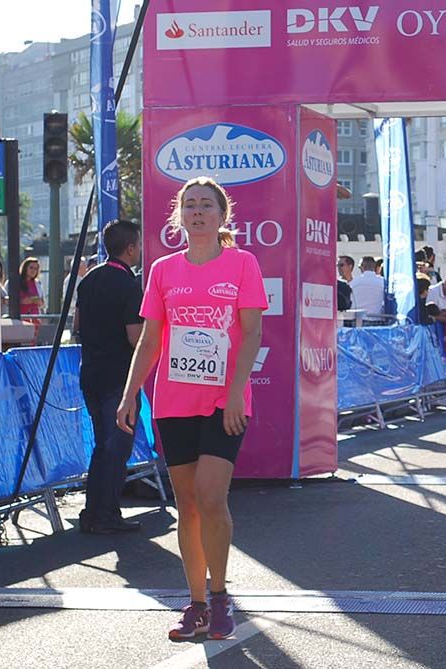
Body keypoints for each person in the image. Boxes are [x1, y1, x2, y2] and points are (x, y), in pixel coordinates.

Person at [116, 176, 266, 641]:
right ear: (179, 216)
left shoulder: (242, 263)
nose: (197, 212)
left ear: (222, 215)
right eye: (190, 205)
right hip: (174, 401)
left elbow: (252, 333)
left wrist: (237, 391)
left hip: (224, 401)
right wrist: (130, 393)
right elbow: (149, 340)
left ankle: (220, 598)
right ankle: (196, 604)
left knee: (211, 496)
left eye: (206, 205)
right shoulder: (163, 270)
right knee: (188, 506)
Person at [77, 221, 144, 535]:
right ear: (130, 249)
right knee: (117, 448)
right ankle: (106, 515)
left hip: (91, 372)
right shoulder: (129, 285)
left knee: (102, 445)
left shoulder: (88, 279)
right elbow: (135, 337)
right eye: (138, 245)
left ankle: (93, 512)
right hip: (119, 377)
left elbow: (77, 325)